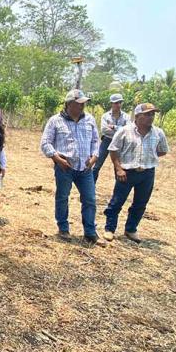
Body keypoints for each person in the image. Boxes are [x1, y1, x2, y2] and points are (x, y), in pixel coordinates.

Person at [40, 89, 105, 246]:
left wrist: (94, 157)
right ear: (69, 104)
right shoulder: (55, 121)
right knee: (62, 197)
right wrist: (56, 158)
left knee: (90, 199)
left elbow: (95, 141)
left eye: (83, 103)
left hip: (85, 168)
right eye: (79, 103)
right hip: (65, 167)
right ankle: (63, 228)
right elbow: (45, 143)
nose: (82, 106)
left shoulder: (89, 119)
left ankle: (90, 232)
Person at [101, 103, 169, 244]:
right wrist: (119, 169)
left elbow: (162, 150)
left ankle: (131, 229)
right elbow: (113, 150)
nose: (151, 117)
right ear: (137, 116)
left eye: (153, 114)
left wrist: (148, 158)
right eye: (147, 114)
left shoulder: (158, 133)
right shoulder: (124, 131)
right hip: (126, 172)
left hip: (147, 173)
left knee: (140, 203)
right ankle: (110, 229)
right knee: (117, 201)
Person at [93, 93, 130, 182]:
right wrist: (121, 129)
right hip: (107, 141)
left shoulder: (126, 116)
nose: (118, 105)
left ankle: (118, 187)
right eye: (116, 103)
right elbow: (104, 130)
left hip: (120, 143)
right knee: (97, 165)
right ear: (111, 104)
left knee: (118, 166)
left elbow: (128, 130)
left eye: (120, 102)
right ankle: (91, 186)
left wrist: (114, 127)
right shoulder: (105, 116)